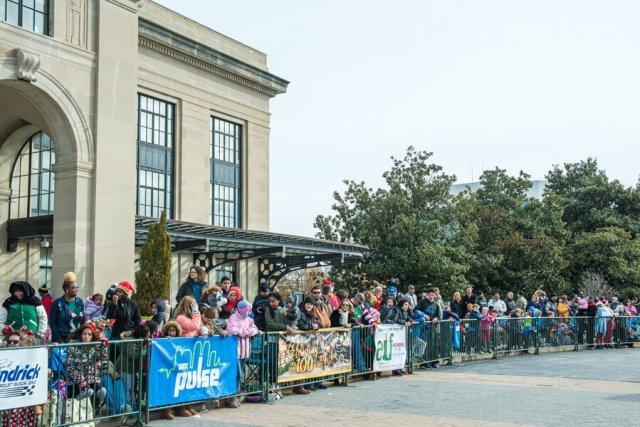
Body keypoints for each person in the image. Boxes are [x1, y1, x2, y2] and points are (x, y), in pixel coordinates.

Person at [1, 329, 37, 426]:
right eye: (9, 341)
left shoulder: (30, 356)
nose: (12, 343)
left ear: (21, 342)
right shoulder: (3, 357)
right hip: (9, 398)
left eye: (15, 341)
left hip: (26, 398)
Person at [225, 300, 259, 408]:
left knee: (240, 375)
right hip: (236, 350)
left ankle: (235, 397)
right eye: (245, 309)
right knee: (236, 374)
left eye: (248, 309)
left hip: (245, 351)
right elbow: (231, 329)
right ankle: (231, 398)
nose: (247, 311)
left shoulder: (249, 319)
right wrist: (245, 332)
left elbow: (255, 329)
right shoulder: (233, 317)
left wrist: (248, 332)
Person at [66, 323, 108, 401]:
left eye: (89, 334)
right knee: (89, 391)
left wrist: (104, 346)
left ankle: (95, 409)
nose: (86, 337)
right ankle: (78, 399)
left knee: (102, 391)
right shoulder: (73, 346)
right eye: (84, 334)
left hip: (92, 377)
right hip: (78, 378)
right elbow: (69, 367)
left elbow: (104, 359)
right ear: (81, 334)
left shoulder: (95, 346)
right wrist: (81, 379)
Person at [49, 273, 85, 343]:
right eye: (73, 288)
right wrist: (59, 340)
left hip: (76, 339)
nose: (76, 289)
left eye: (77, 287)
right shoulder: (58, 303)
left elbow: (82, 320)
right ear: (66, 289)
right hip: (61, 339)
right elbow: (52, 323)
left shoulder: (79, 302)